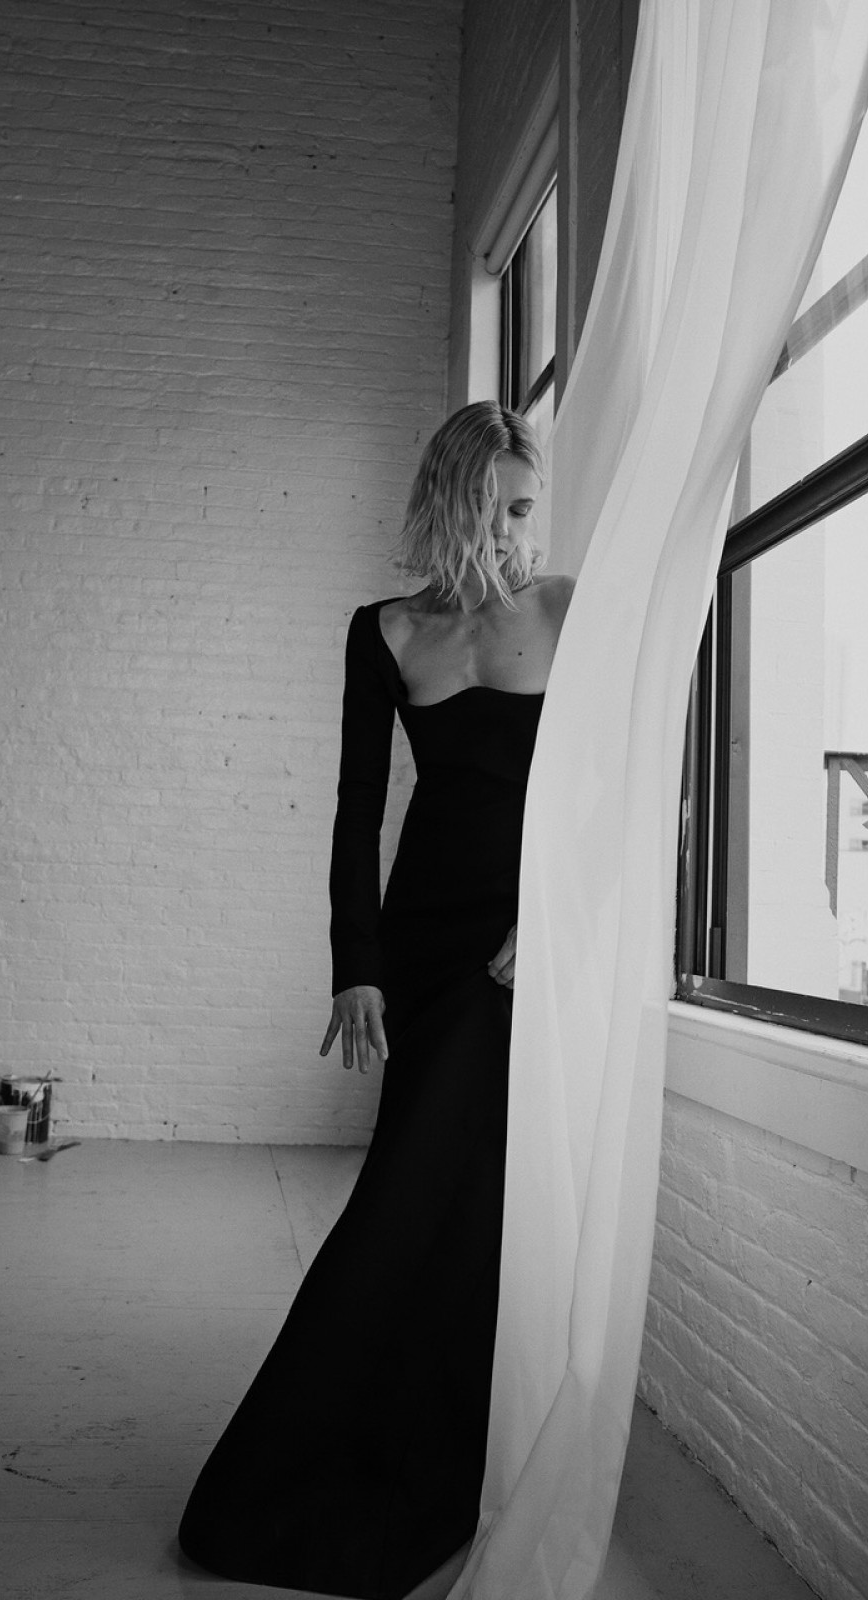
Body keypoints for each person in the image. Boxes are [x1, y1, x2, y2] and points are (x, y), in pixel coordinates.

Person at [178, 401, 573, 1600]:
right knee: (407, 1187)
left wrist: (556, 918)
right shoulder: (386, 630)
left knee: (463, 1206)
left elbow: (617, 784)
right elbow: (358, 808)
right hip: (424, 941)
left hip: (520, 951)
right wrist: (356, 962)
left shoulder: (568, 611)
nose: (516, 535)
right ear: (451, 506)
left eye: (527, 511)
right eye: (497, 511)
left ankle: (447, 1452)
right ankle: (308, 1466)